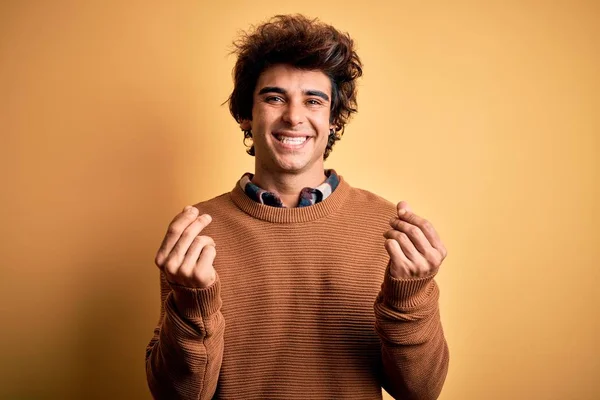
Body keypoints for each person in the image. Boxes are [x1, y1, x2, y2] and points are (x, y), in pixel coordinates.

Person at [145, 14, 449, 400]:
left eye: (314, 100)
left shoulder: (389, 230)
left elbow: (420, 392)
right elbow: (179, 396)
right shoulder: (196, 236)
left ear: (334, 120)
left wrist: (410, 296)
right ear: (244, 115)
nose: (293, 116)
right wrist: (191, 305)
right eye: (274, 98)